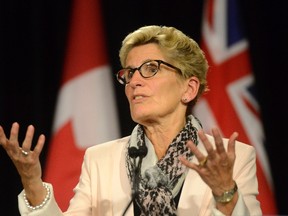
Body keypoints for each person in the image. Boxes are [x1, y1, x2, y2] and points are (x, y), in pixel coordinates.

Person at [0, 25, 262, 216]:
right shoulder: (99, 159)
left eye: (151, 69)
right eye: (129, 73)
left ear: (189, 88)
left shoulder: (236, 158)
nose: (134, 81)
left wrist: (224, 191)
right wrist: (32, 183)